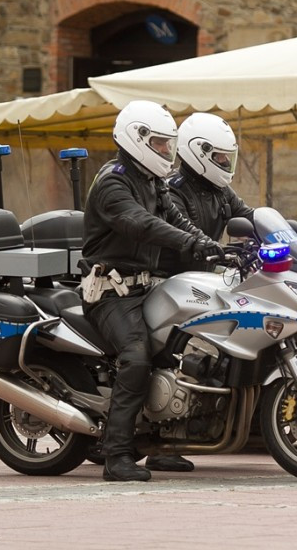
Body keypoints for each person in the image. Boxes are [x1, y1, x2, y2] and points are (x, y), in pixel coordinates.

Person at [81, 100, 225, 482]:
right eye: (161, 144)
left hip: (148, 288)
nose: (167, 152)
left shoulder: (152, 181)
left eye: (168, 144)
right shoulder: (112, 182)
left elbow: (177, 219)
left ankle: (164, 447)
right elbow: (139, 223)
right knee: (137, 358)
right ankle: (117, 457)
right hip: (111, 294)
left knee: (178, 350)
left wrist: (212, 246)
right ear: (137, 138)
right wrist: (188, 243)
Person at [158, 112, 253, 275]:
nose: (226, 161)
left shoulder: (220, 189)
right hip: (174, 279)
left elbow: (249, 216)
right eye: (220, 156)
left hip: (205, 273)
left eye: (227, 155)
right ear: (200, 153)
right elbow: (188, 241)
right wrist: (228, 253)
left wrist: (282, 232)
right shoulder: (172, 191)